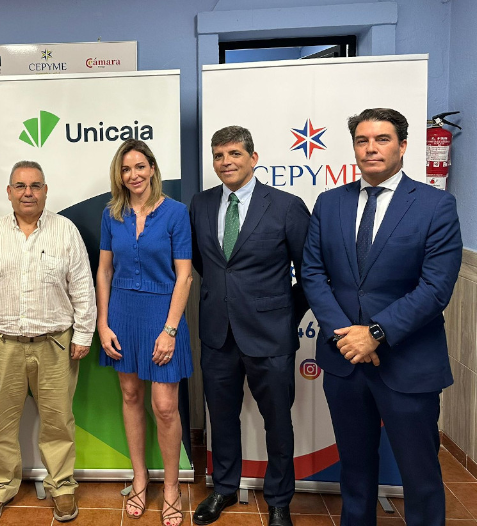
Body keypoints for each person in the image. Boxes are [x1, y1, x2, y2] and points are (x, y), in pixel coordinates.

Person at [302, 108, 462, 526]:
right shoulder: (329, 203)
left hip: (408, 362)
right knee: (354, 472)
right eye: (362, 140)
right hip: (344, 361)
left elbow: (435, 287)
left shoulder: (436, 205)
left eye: (382, 139)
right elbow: (313, 273)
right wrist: (346, 336)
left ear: (403, 146)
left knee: (420, 475)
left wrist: (375, 333)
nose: (370, 148)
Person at [0, 160, 96, 524]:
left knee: (58, 421)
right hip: (1, 345)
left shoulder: (65, 232)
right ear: (9, 192)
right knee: (0, 423)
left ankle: (61, 486)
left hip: (56, 345)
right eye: (20, 186)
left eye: (35, 186)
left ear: (45, 191)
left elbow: (83, 288)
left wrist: (83, 334)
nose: (28, 193)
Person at [189, 126, 310, 526]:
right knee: (221, 418)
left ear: (253, 158)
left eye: (235, 154)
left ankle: (279, 500)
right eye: (219, 155)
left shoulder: (287, 206)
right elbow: (207, 266)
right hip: (217, 334)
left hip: (270, 337)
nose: (226, 162)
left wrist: (284, 316)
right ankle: (224, 488)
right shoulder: (201, 204)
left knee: (278, 422)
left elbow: (310, 273)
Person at [96, 139, 193, 526]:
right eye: (125, 169)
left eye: (139, 166)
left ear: (152, 168)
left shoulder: (176, 213)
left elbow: (184, 275)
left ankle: (170, 488)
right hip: (121, 314)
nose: (133, 174)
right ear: (119, 175)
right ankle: (140, 479)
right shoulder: (111, 215)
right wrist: (103, 323)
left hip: (163, 316)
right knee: (131, 395)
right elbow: (104, 270)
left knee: (165, 407)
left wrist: (170, 330)